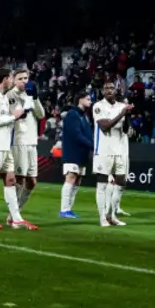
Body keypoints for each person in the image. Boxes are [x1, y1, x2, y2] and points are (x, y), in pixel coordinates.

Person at [0, 68, 37, 230]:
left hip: (6, 145)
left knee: (11, 180)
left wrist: (22, 110)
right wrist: (14, 116)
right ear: (4, 79)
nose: (12, 81)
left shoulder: (3, 97)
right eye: (11, 78)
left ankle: (16, 219)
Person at [93, 82, 131, 227]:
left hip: (120, 149)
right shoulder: (98, 106)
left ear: (116, 91)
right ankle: (102, 218)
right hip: (104, 149)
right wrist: (122, 114)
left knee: (121, 182)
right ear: (103, 91)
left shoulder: (121, 106)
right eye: (106, 88)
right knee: (102, 184)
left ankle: (111, 215)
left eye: (112, 88)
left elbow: (125, 129)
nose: (109, 90)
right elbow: (104, 127)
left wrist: (128, 116)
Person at [59, 91, 94, 219]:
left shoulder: (84, 116)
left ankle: (69, 208)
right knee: (71, 177)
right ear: (80, 100)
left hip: (82, 153)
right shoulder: (72, 115)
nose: (90, 102)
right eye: (88, 99)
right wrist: (92, 145)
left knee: (77, 180)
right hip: (72, 152)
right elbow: (76, 135)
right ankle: (64, 209)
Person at [9, 73, 41, 211]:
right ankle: (14, 214)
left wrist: (35, 97)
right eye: (20, 79)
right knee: (20, 178)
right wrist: (28, 98)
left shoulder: (31, 95)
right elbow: (20, 114)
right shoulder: (11, 95)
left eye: (25, 78)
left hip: (32, 141)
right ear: (14, 81)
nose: (23, 81)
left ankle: (16, 211)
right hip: (19, 140)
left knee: (32, 181)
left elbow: (41, 114)